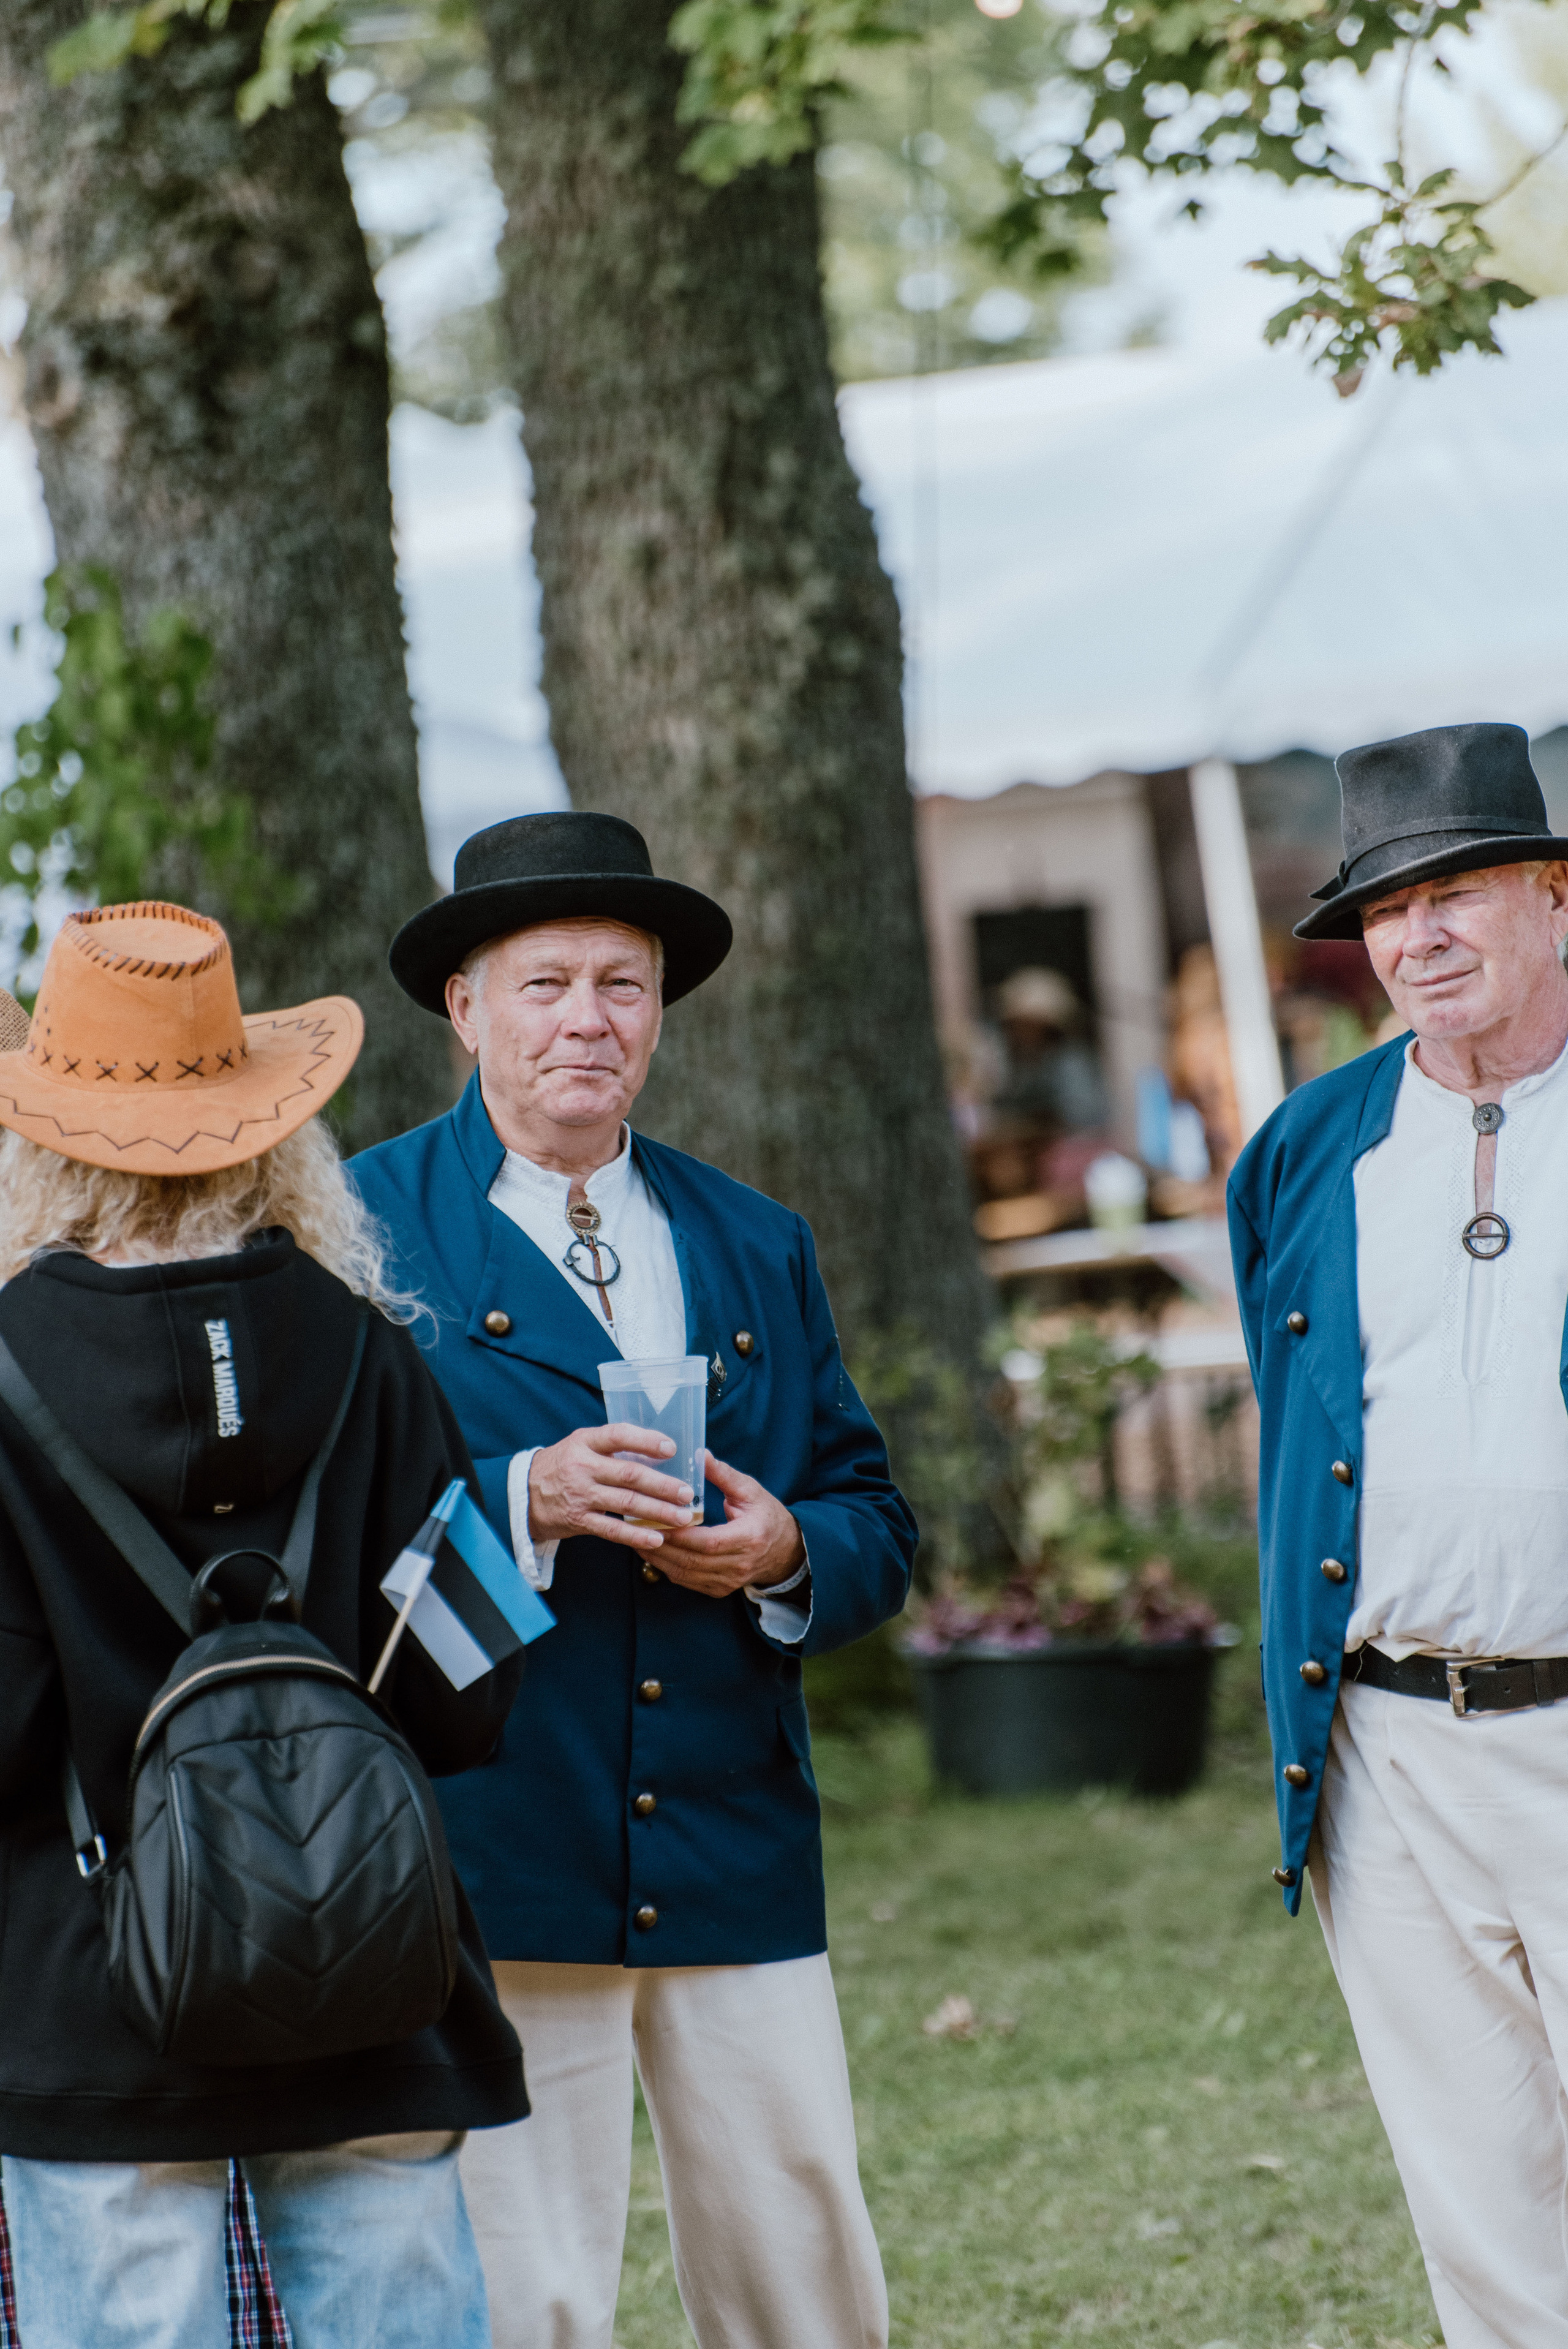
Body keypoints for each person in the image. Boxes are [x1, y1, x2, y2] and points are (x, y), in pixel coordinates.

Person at [350, 810, 918, 2349]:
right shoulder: (353, 1231)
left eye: (622, 984)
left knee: (803, 2268)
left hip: (733, 1828)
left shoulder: (755, 1237)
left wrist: (782, 1549)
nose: (587, 1020)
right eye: (545, 984)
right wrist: (521, 1502)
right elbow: (316, 1553)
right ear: (465, 1007)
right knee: (528, 2285)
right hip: (499, 1838)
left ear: (659, 1011)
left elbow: (874, 1518)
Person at [0, 901, 529, 2349]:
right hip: (370, 1965)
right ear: (264, 1133)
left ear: (45, 1144)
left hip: (94, 1996)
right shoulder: (375, 1348)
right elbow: (472, 1696)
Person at [1229, 722, 1568, 2348]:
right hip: (1385, 1743)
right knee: (1476, 2197)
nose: (1417, 936)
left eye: (1456, 893)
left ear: (1553, 896)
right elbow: (1296, 1426)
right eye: (1383, 909)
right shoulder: (1306, 1148)